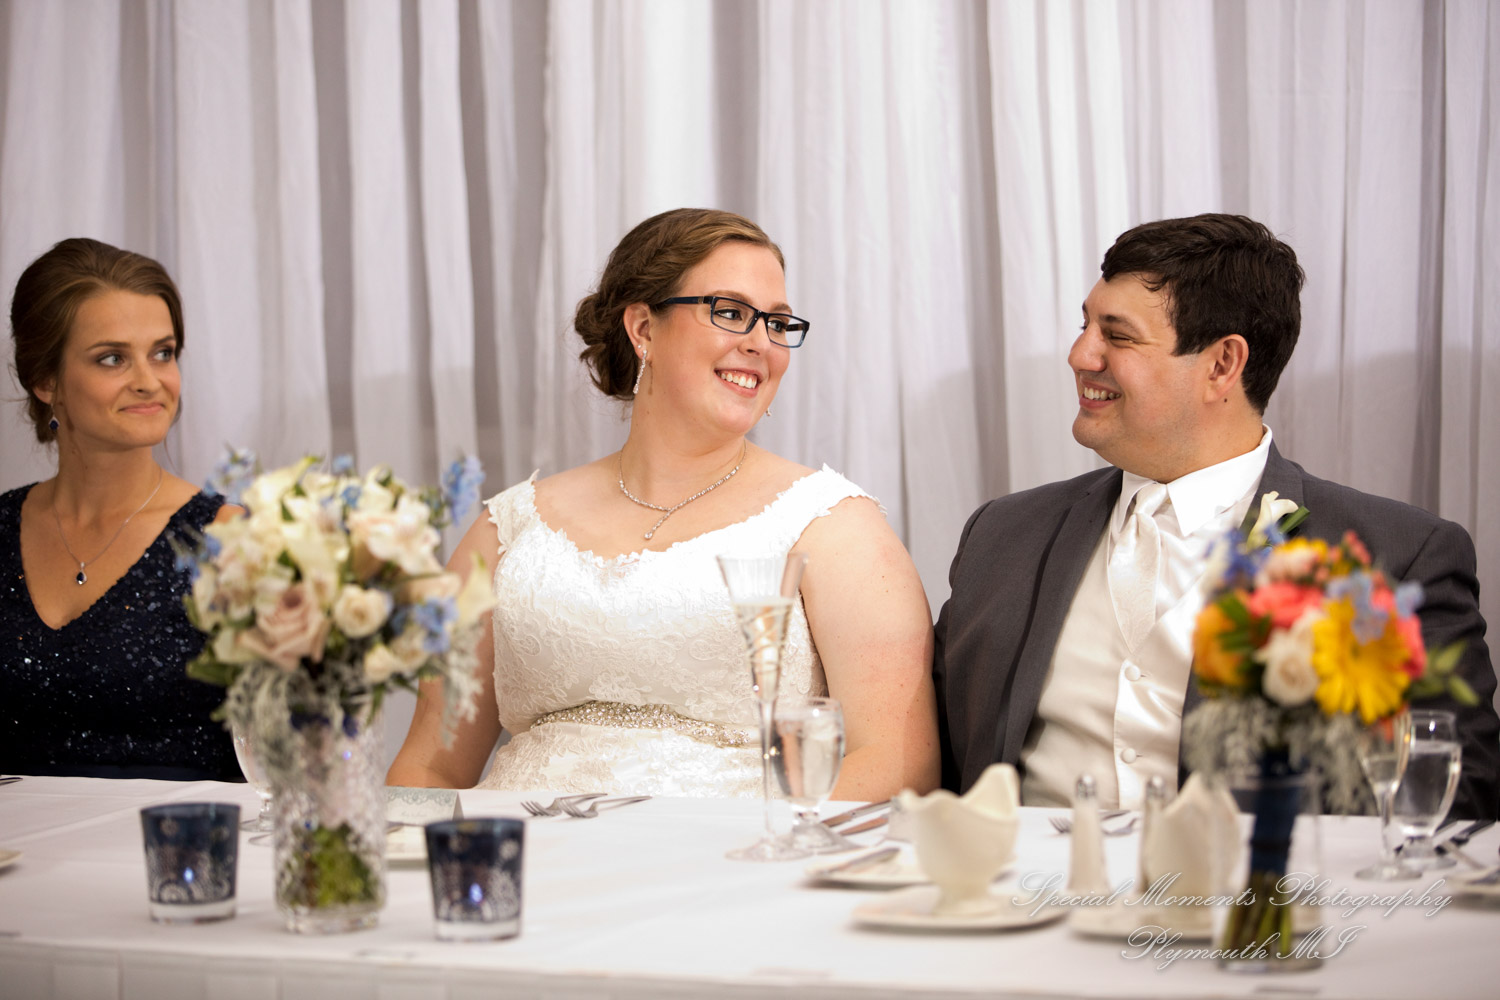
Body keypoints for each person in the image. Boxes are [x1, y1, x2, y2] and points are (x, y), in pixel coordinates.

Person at [933, 213, 1499, 819]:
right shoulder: (1002, 533)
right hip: (1021, 901)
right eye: (1085, 326)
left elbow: (1458, 796)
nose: (1079, 354)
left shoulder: (1399, 554)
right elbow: (936, 765)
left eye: (1116, 335)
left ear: (1223, 365)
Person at [389, 208, 939, 799]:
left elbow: (897, 761)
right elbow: (431, 768)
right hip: (526, 865)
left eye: (778, 324)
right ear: (644, 329)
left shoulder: (831, 524)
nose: (762, 344)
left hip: (728, 869)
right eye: (730, 313)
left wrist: (736, 857)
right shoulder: (509, 528)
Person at [1, 237, 241, 780]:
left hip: (178, 854)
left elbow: (300, 756)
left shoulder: (232, 539)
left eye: (164, 352)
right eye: (113, 358)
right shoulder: (2, 530)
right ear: (45, 380)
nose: (148, 380)